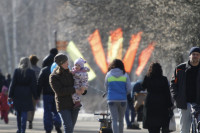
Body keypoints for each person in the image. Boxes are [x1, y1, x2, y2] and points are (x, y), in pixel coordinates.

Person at [49, 53, 83, 133]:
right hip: (63, 105)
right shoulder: (53, 77)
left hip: (75, 105)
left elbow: (77, 83)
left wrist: (83, 90)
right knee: (68, 126)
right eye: (66, 62)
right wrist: (74, 90)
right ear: (60, 63)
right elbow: (60, 91)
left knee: (71, 128)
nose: (68, 64)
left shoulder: (70, 73)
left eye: (67, 62)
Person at [170, 46, 200, 133]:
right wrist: (177, 98)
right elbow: (173, 84)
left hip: (198, 104)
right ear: (189, 55)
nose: (195, 56)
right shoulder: (180, 68)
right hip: (184, 104)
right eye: (193, 54)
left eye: (197, 54)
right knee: (184, 129)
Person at [8, 57, 38, 133]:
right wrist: (35, 96)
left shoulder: (17, 71)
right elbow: (34, 85)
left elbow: (13, 84)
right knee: (25, 111)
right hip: (27, 94)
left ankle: (19, 128)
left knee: (18, 112)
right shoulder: (31, 72)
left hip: (17, 94)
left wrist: (10, 95)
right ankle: (23, 129)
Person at [142, 62, 173, 133]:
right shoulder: (164, 79)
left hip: (150, 103)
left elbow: (143, 86)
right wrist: (169, 105)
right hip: (162, 104)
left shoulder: (147, 78)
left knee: (152, 127)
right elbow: (167, 93)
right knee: (161, 124)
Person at [104, 59, 132, 133]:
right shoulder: (125, 75)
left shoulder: (108, 74)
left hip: (111, 100)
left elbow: (106, 87)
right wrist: (124, 94)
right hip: (122, 100)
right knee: (121, 120)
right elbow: (129, 89)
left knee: (114, 120)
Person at [38, 54, 62, 133]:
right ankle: (58, 124)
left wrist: (37, 94)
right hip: (57, 94)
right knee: (57, 110)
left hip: (46, 94)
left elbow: (39, 83)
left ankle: (48, 129)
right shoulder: (58, 70)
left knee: (47, 112)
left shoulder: (44, 70)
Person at [27, 55, 41, 129]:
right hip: (36, 91)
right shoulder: (39, 70)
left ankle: (28, 119)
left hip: (28, 91)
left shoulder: (28, 69)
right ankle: (31, 121)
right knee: (33, 106)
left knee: (28, 106)